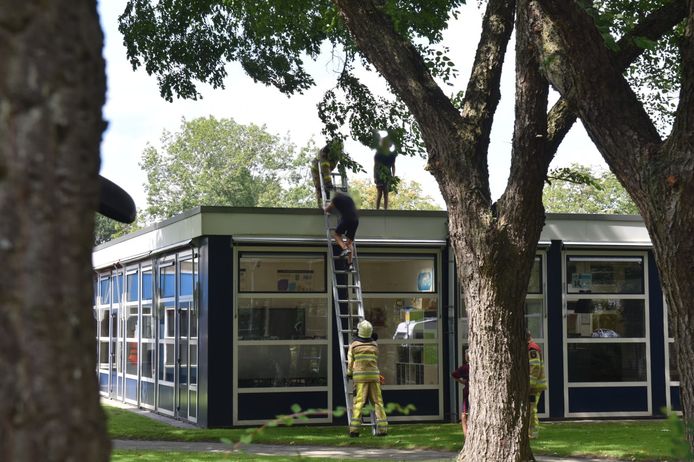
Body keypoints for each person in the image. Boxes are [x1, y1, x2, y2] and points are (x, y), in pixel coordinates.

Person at [347, 320, 388, 437]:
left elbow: (350, 362)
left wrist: (349, 373)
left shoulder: (354, 345)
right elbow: (375, 358)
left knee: (359, 403)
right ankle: (383, 429)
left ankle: (354, 430)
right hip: (374, 377)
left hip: (360, 378)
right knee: (378, 402)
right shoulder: (374, 344)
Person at [324, 192, 359, 271]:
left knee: (336, 235)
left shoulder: (336, 199)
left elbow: (327, 210)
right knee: (349, 242)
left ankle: (344, 248)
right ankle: (350, 265)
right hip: (355, 220)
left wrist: (325, 206)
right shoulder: (349, 199)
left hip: (346, 218)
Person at [311, 139, 343, 208]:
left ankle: (330, 203)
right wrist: (328, 183)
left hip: (327, 169)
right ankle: (320, 207)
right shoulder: (324, 152)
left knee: (328, 188)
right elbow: (324, 167)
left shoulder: (338, 153)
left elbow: (340, 165)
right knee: (319, 187)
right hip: (317, 170)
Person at [528, 331, 547, 439]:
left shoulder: (532, 349)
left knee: (531, 409)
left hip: (534, 387)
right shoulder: (531, 347)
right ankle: (530, 432)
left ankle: (533, 433)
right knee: (531, 409)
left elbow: (535, 367)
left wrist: (530, 385)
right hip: (534, 385)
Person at [373, 133, 398, 210]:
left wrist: (393, 176)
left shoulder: (392, 155)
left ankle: (385, 210)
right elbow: (375, 165)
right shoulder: (378, 154)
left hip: (388, 175)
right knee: (379, 192)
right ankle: (377, 209)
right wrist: (375, 176)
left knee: (386, 193)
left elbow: (393, 166)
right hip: (379, 175)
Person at [451, 349, 470, 436]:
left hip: (468, 392)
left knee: (464, 415)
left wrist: (463, 382)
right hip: (467, 392)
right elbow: (454, 375)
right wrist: (464, 382)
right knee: (464, 414)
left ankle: (466, 436)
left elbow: (453, 375)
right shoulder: (465, 368)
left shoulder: (465, 367)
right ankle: (467, 437)